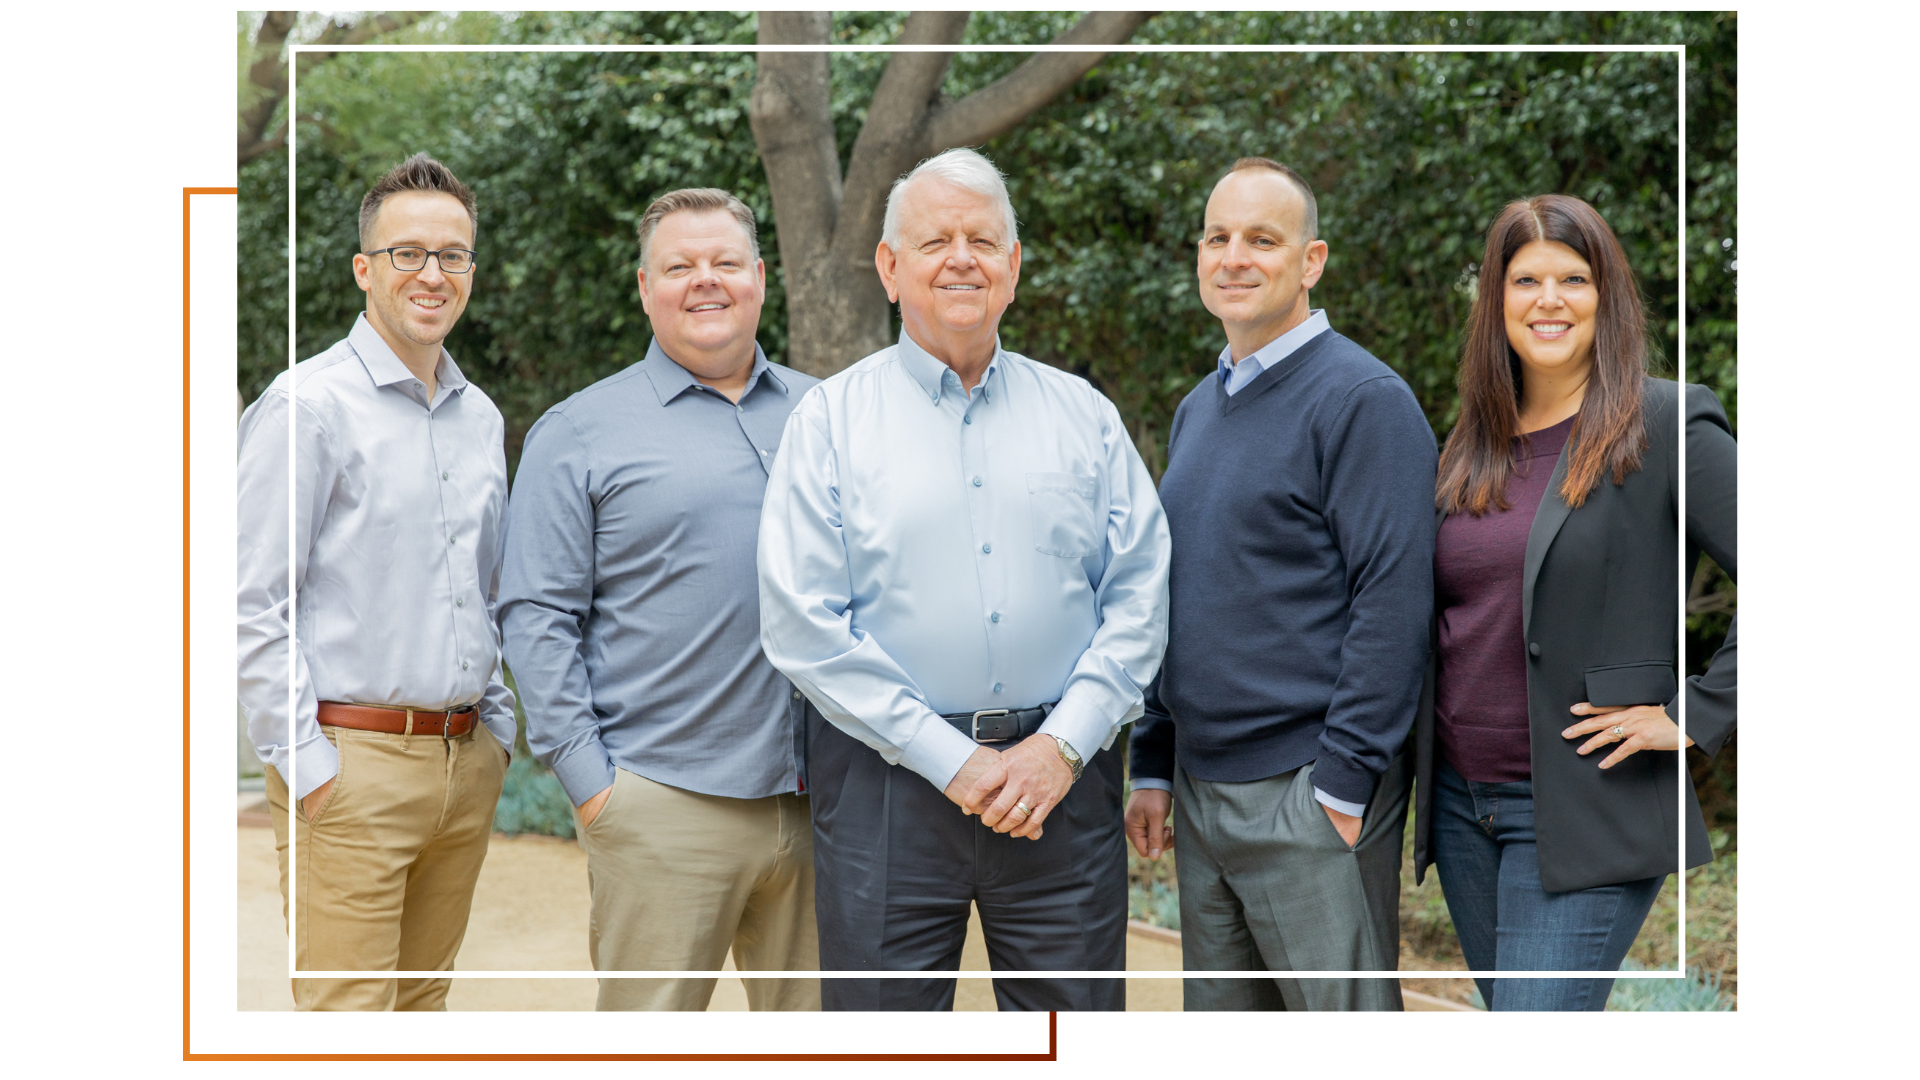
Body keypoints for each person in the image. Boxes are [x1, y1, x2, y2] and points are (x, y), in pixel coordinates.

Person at [756, 147, 1171, 1054]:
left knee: (1076, 1039)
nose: (961, 258)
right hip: (887, 789)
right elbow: (802, 625)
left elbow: (1140, 593)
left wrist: (1060, 749)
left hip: (1060, 788)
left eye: (983, 239)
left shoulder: (1084, 417)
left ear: (1014, 266)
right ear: (889, 267)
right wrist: (953, 760)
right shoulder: (829, 421)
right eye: (934, 239)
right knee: (880, 1039)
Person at [1411, 193, 1739, 1053]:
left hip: (1586, 806)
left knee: (1533, 1035)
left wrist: (1695, 717)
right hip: (1462, 808)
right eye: (1526, 279)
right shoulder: (1470, 443)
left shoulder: (1667, 422)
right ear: (1496, 299)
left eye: (1573, 278)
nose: (1549, 299)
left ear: (1608, 295)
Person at [1124, 157, 1438, 1054]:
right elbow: (1175, 590)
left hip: (1310, 790)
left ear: (1311, 261)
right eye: (1218, 238)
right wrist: (1154, 759)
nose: (1234, 257)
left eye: (1262, 239)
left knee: (1340, 1039)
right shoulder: (1200, 408)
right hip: (1202, 790)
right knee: (1224, 1039)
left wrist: (1341, 784)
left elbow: (1394, 596)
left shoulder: (1362, 400)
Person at [499, 188, 822, 1054]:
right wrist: (594, 785)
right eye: (679, 266)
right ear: (645, 288)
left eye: (723, 263)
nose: (703, 282)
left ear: (760, 278)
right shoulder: (579, 431)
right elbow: (534, 614)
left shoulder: (831, 414)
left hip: (828, 802)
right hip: (662, 801)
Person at [236, 153, 514, 1054]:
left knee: (420, 1016)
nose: (432, 274)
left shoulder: (481, 418)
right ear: (365, 268)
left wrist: (497, 733)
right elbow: (250, 602)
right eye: (407, 253)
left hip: (462, 762)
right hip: (349, 765)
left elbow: (488, 588)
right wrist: (309, 767)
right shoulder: (307, 406)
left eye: (453, 255)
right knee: (346, 1026)